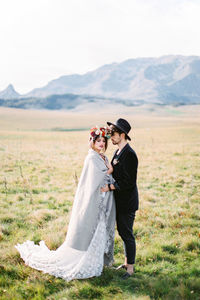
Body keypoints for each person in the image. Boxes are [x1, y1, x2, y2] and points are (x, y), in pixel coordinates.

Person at [15, 126, 116, 282]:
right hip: (95, 199)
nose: (101, 143)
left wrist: (108, 171)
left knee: (99, 230)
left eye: (103, 141)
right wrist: (109, 170)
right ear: (92, 142)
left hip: (103, 200)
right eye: (98, 141)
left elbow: (106, 172)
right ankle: (83, 260)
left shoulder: (102, 157)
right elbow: (96, 178)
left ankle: (97, 260)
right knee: (90, 230)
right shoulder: (91, 157)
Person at [101, 118, 139, 280]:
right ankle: (126, 262)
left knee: (127, 234)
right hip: (119, 201)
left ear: (122, 135)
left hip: (127, 202)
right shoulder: (118, 152)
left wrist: (109, 187)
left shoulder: (129, 154)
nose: (111, 137)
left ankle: (130, 269)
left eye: (113, 133)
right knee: (123, 233)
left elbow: (129, 182)